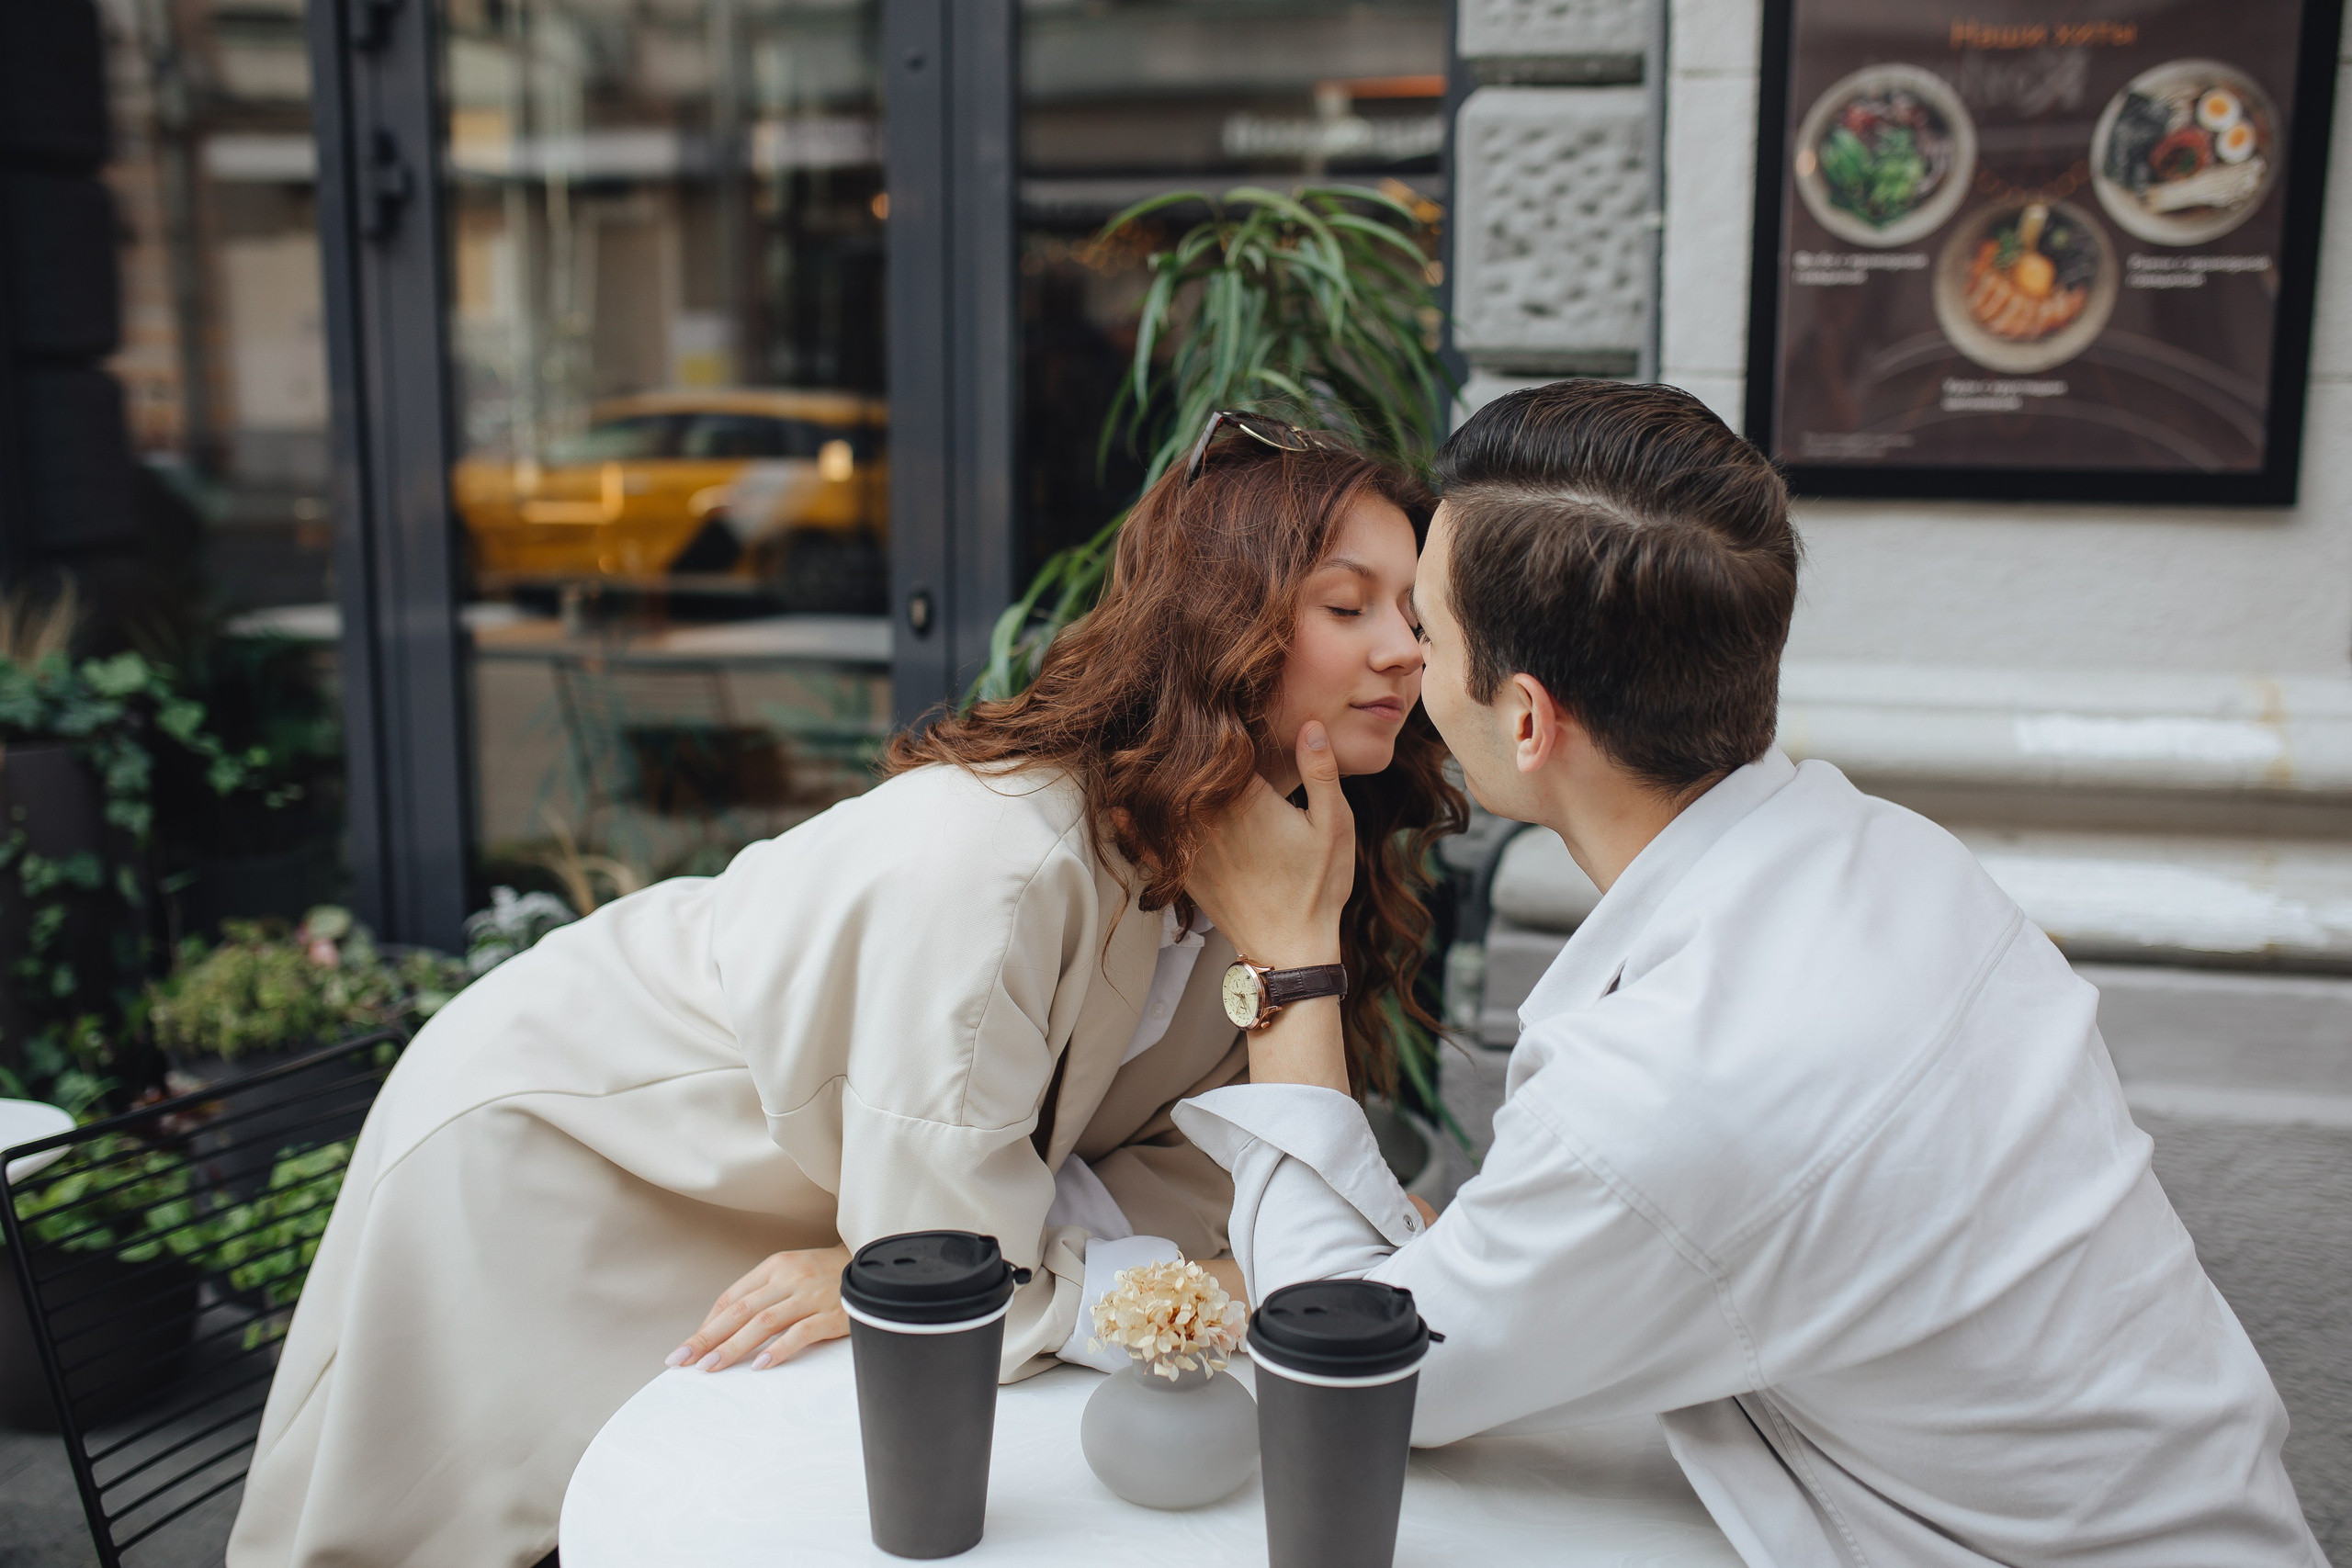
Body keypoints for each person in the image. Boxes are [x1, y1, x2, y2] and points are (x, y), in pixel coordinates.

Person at [227, 414, 1462, 1568]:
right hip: (581, 1145)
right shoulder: (1003, 861)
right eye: (1347, 605)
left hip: (814, 1192)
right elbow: (977, 1289)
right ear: (1216, 623)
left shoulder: (1277, 854)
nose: (1406, 650)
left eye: (1413, 611)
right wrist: (1168, 1280)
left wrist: (919, 1255)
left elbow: (1201, 1178)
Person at [1172, 380, 2323, 1567]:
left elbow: (1361, 1375)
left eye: (1428, 625)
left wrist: (1289, 959)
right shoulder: (1902, 856)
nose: (1404, 657)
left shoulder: (1673, 1094)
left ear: (1525, 720)